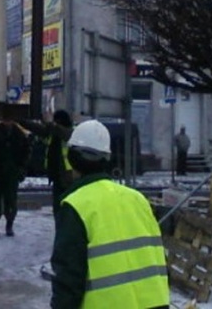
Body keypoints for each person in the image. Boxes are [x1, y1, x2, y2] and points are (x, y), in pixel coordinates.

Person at [51, 119, 170, 309]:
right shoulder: (138, 199)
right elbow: (159, 259)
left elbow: (69, 279)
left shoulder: (75, 206)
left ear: (72, 159)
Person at [22, 109, 74, 219]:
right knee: (58, 207)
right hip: (57, 176)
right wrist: (22, 121)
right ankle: (60, 225)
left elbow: (62, 132)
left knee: (66, 206)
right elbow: (38, 128)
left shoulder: (70, 132)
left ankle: (65, 225)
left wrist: (49, 122)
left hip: (67, 177)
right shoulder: (53, 133)